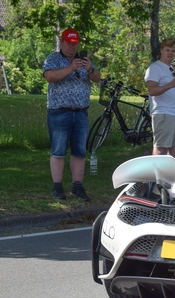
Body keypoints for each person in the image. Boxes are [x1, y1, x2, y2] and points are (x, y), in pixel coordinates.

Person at [43, 28, 100, 201]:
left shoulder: (84, 60)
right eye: (69, 43)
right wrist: (71, 67)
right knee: (58, 150)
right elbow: (50, 77)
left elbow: (98, 78)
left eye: (75, 44)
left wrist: (90, 69)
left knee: (79, 151)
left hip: (81, 112)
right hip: (60, 111)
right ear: (62, 42)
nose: (72, 47)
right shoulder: (52, 59)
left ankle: (77, 187)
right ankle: (57, 187)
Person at [145, 37, 175, 157]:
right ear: (161, 50)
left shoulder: (172, 68)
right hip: (162, 113)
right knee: (160, 149)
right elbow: (152, 90)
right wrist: (171, 84)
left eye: (173, 51)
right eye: (167, 50)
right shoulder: (155, 68)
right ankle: (155, 175)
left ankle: (168, 175)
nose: (170, 53)